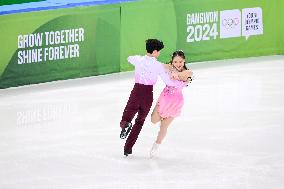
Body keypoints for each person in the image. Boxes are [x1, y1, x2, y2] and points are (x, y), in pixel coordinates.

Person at [120, 39, 191, 157]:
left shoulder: (138, 60)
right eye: (158, 52)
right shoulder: (158, 66)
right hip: (148, 95)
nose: (159, 54)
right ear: (154, 52)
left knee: (126, 117)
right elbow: (169, 81)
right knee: (140, 122)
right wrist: (182, 81)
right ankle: (128, 148)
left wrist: (140, 61)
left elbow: (129, 58)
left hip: (136, 92)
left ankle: (125, 124)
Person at [150, 50, 193, 158]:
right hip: (164, 98)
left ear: (184, 61)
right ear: (172, 62)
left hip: (175, 102)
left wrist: (176, 74)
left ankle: (156, 146)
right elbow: (159, 65)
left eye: (180, 62)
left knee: (164, 126)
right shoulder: (169, 67)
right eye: (176, 62)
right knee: (153, 120)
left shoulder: (187, 72)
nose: (178, 64)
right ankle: (162, 118)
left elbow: (185, 75)